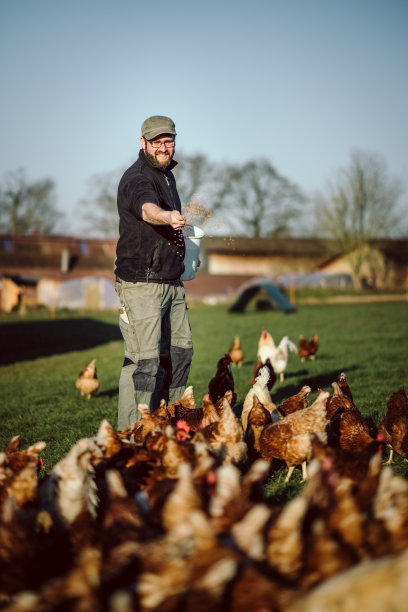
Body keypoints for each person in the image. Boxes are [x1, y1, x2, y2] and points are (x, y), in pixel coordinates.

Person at [114, 115, 193, 429]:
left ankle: (166, 428)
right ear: (143, 142)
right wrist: (168, 216)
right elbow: (148, 210)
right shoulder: (138, 178)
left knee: (179, 355)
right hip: (141, 283)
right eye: (157, 141)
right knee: (144, 362)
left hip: (172, 281)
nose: (164, 147)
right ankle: (132, 438)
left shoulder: (168, 176)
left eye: (168, 140)